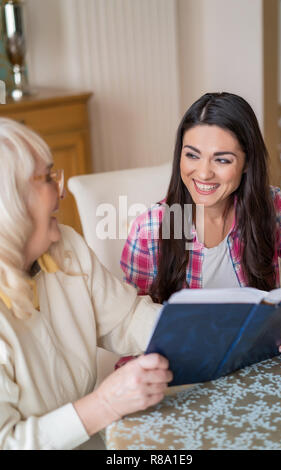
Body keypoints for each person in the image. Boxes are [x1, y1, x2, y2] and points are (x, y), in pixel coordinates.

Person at [0, 117, 172, 450]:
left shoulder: (65, 246)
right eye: (48, 178)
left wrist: (221, 331)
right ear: (10, 201)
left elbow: (127, 319)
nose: (59, 189)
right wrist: (104, 404)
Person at [120, 91, 281, 359]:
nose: (203, 173)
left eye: (222, 159)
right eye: (192, 155)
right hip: (183, 375)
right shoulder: (151, 228)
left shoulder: (269, 205)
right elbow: (130, 330)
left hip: (259, 362)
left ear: (247, 162)